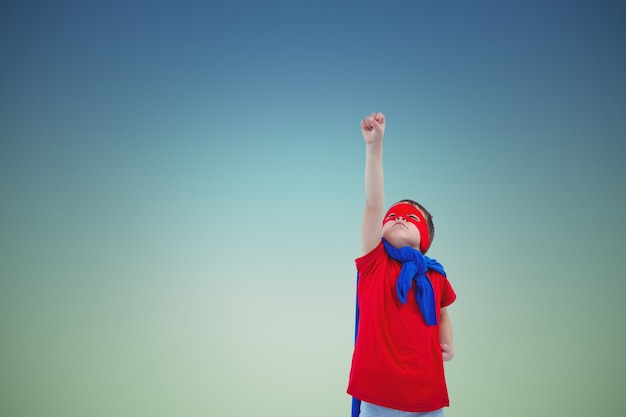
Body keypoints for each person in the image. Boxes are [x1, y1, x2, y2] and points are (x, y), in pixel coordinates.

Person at [348, 112, 456, 417]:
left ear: (425, 239)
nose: (397, 218)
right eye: (392, 216)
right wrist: (375, 147)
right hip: (380, 392)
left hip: (427, 395)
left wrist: (446, 338)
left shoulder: (435, 276)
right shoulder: (374, 263)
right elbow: (373, 204)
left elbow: (444, 312)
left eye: (410, 218)